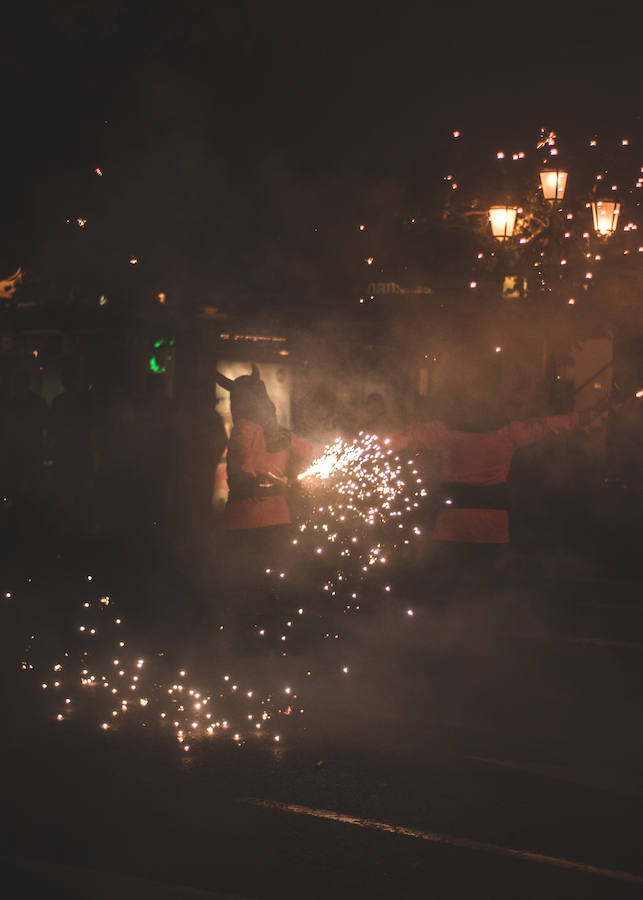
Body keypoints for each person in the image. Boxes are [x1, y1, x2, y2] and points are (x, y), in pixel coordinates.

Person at [384, 399, 608, 584]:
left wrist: (369, 441)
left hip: (454, 523)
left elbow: (405, 437)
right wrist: (591, 413)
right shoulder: (508, 433)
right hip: (491, 523)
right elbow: (548, 425)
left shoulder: (445, 434)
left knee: (452, 587)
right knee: (484, 585)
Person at [214, 364, 322, 611]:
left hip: (244, 522)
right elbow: (315, 452)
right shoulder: (282, 434)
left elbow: (242, 464)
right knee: (275, 586)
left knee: (244, 590)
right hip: (278, 520)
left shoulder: (244, 429)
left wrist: (248, 481)